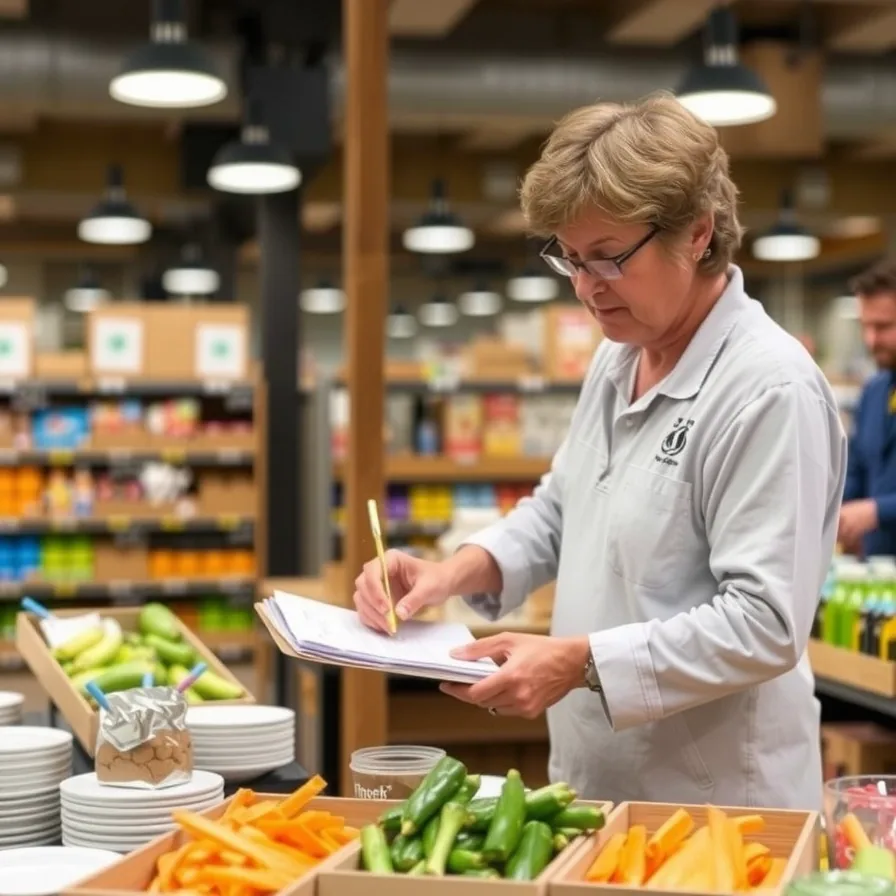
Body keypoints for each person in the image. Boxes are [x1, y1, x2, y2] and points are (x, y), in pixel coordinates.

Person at [354, 93, 847, 810]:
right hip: (597, 780)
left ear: (698, 234)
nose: (587, 288)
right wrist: (455, 570)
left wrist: (579, 662)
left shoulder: (769, 390)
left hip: (715, 807)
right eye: (571, 259)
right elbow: (563, 507)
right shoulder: (622, 356)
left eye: (609, 258)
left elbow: (765, 624)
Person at [840, 259, 896, 556]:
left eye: (883, 327)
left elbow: (872, 507)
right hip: (877, 581)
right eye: (866, 326)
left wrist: (877, 511)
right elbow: (858, 468)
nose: (871, 340)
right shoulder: (874, 391)